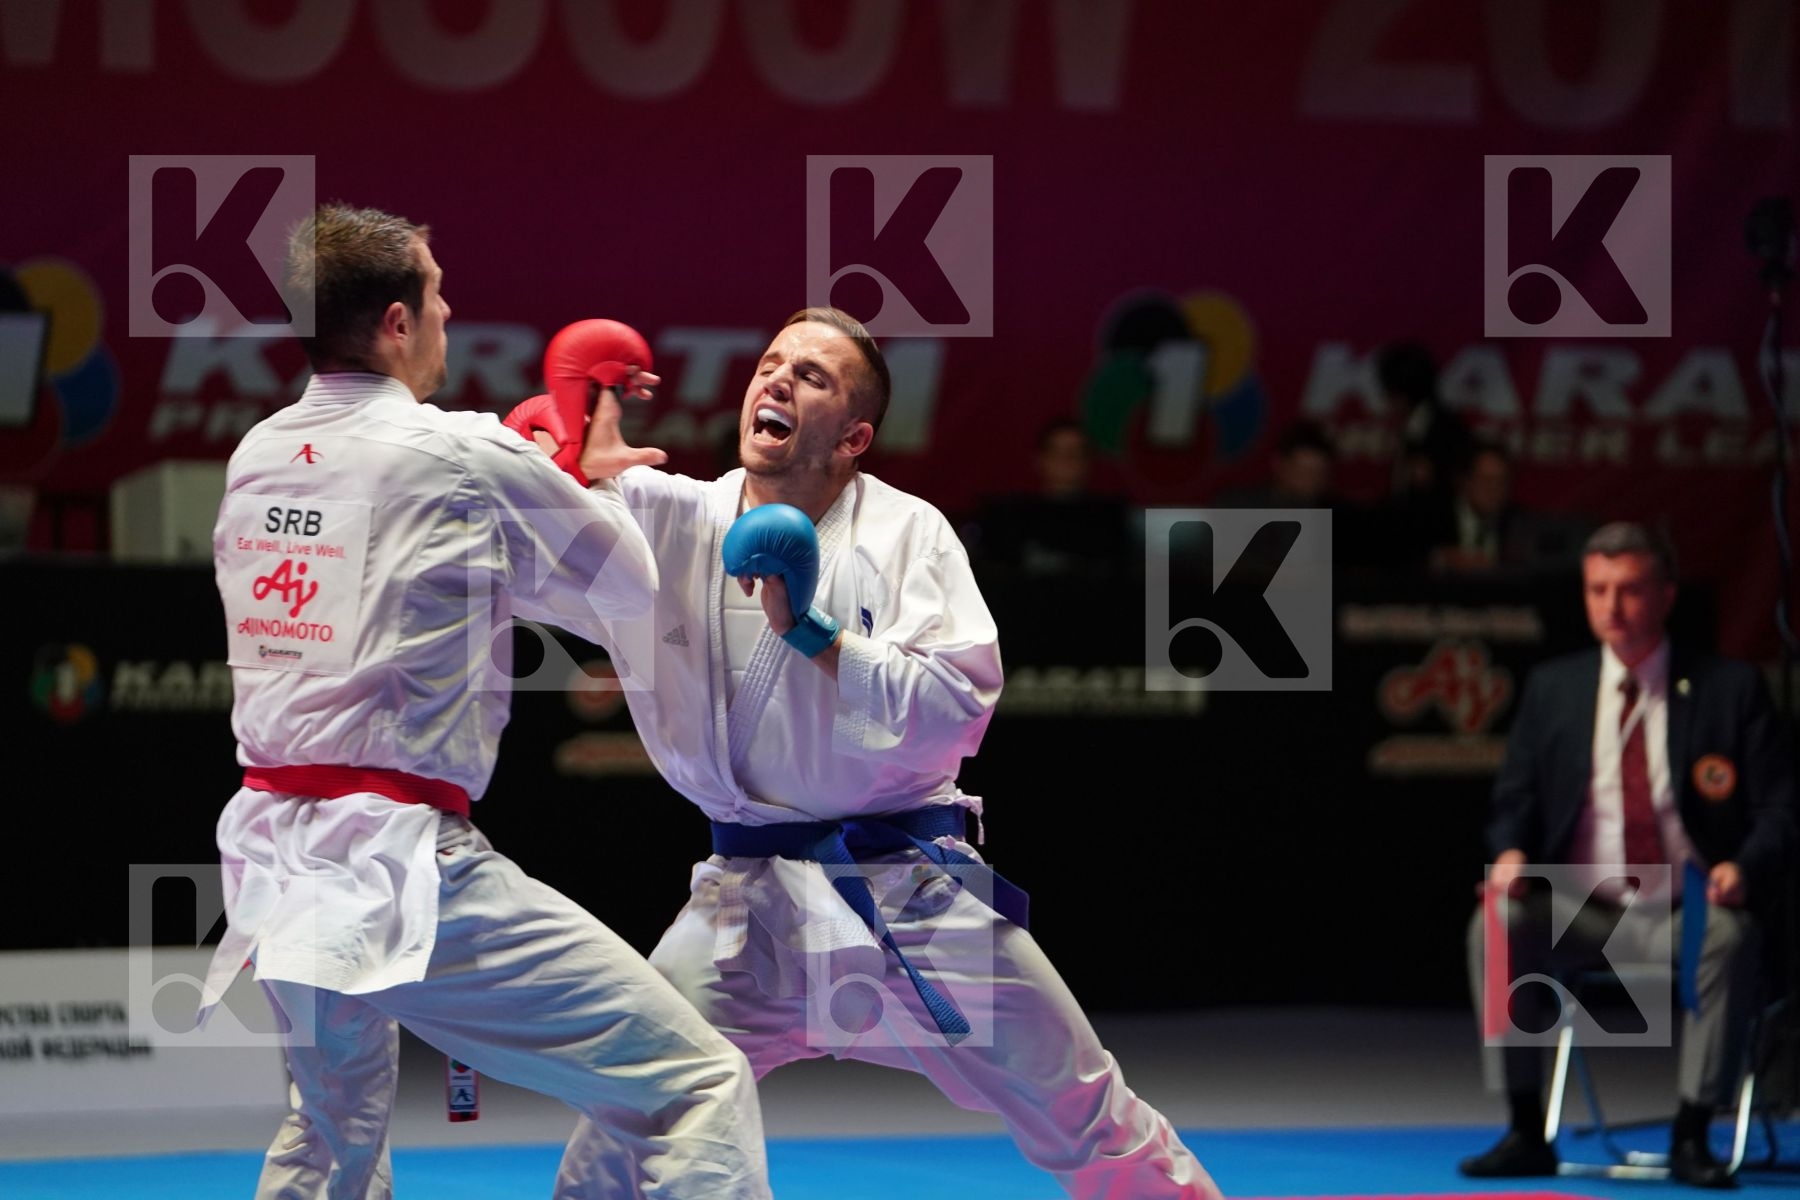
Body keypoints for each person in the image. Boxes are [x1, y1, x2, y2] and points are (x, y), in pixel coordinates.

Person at [560, 308, 1221, 1198]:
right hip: (742, 912)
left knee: (1083, 1110)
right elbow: (525, 526)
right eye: (771, 363)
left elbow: (961, 711)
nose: (778, 380)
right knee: (626, 1119)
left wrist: (821, 636)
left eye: (814, 377)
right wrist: (563, 445)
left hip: (909, 894)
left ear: (853, 436)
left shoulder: (912, 534)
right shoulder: (671, 513)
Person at [202, 204, 770, 1200]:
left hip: (274, 862)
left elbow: (443, 587)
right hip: (401, 866)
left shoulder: (252, 461)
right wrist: (578, 472)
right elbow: (624, 593)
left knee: (331, 1137)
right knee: (694, 1084)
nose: (449, 310)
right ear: (394, 322)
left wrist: (544, 487)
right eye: (436, 294)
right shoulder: (460, 451)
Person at [1460, 522, 1796, 1187]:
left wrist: (1743, 867)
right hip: (1583, 908)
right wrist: (1511, 855)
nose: (1611, 606)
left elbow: (1782, 811)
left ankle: (1693, 1131)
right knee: (1496, 920)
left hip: (1688, 907)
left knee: (1729, 937)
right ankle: (1527, 1128)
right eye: (1598, 590)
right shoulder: (1556, 688)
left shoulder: (1729, 688)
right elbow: (1513, 803)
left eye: (1630, 589)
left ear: (1667, 595)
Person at [964, 417, 1133, 578]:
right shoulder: (1007, 517)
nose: (1066, 460)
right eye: (1057, 452)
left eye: (1075, 452)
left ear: (1088, 460)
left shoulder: (1111, 520)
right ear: (1040, 459)